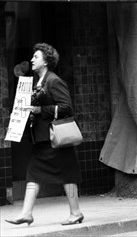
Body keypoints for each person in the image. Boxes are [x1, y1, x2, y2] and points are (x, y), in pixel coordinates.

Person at [5, 43, 84, 227]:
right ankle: (26, 213)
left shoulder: (53, 81)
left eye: (36, 57)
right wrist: (21, 112)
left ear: (46, 62)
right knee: (33, 173)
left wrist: (41, 110)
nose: (32, 59)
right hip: (42, 139)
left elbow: (67, 108)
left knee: (68, 175)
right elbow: (35, 109)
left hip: (56, 138)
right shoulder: (38, 82)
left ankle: (76, 212)